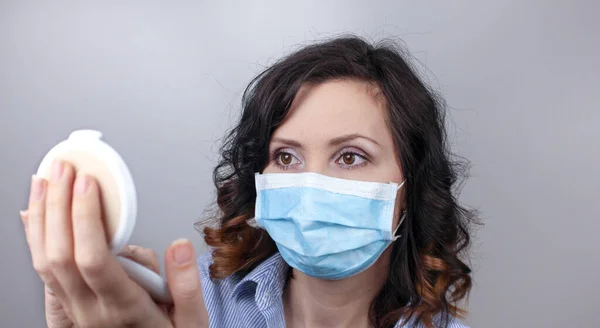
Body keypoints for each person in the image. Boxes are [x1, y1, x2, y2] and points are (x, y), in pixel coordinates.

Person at [21, 35, 477, 328]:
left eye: (350, 156)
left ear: (410, 185)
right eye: (286, 156)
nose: (310, 185)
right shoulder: (194, 303)